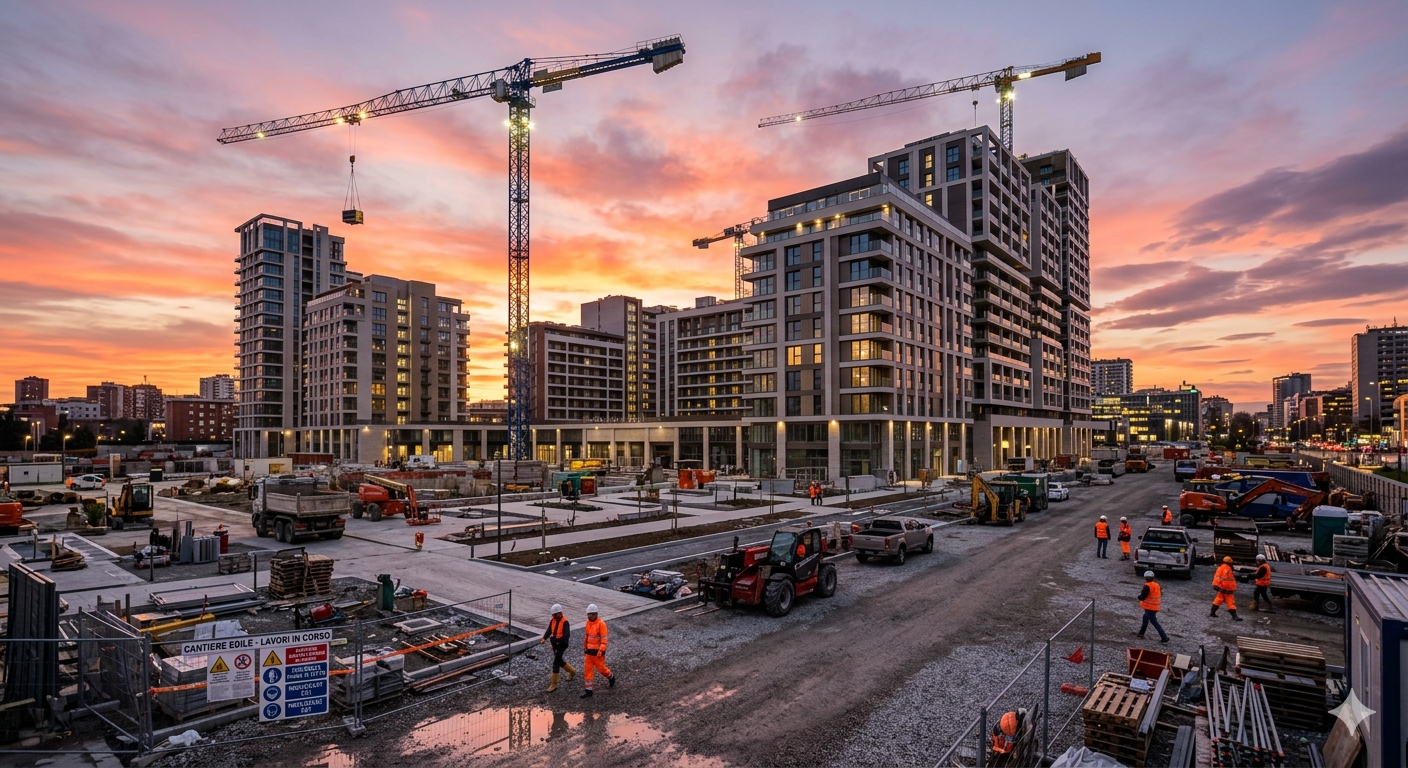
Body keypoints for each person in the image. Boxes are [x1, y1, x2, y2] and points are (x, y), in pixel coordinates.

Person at [539, 604, 576, 692]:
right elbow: (549, 630)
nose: (554, 616)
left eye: (555, 615)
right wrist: (544, 638)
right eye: (553, 615)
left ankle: (554, 684)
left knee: (556, 662)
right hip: (555, 644)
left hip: (562, 645)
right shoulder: (553, 620)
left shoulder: (565, 622)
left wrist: (557, 644)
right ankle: (572, 671)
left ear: (560, 613)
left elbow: (566, 636)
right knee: (559, 661)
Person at [580, 603, 615, 698]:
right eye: (589, 614)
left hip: (598, 653)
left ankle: (611, 676)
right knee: (587, 671)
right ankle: (588, 691)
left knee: (602, 669)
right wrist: (585, 647)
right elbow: (586, 637)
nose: (590, 616)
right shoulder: (587, 623)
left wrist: (601, 650)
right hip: (589, 652)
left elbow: (604, 639)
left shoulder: (601, 624)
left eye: (592, 614)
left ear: (596, 614)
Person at [1136, 571, 1169, 643]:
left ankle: (1164, 637)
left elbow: (1142, 597)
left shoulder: (1147, 586)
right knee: (1145, 617)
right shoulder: (1156, 585)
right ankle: (1141, 633)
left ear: (1145, 578)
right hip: (1155, 607)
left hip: (1149, 607)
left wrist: (1139, 597)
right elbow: (1159, 593)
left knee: (1154, 621)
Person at [1210, 556, 1242, 621]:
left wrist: (1215, 585)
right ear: (1230, 562)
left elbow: (1218, 577)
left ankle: (1212, 613)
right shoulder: (1227, 569)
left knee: (1218, 600)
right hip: (1227, 589)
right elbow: (1221, 577)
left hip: (1222, 588)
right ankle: (1234, 616)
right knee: (1230, 602)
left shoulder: (1222, 568)